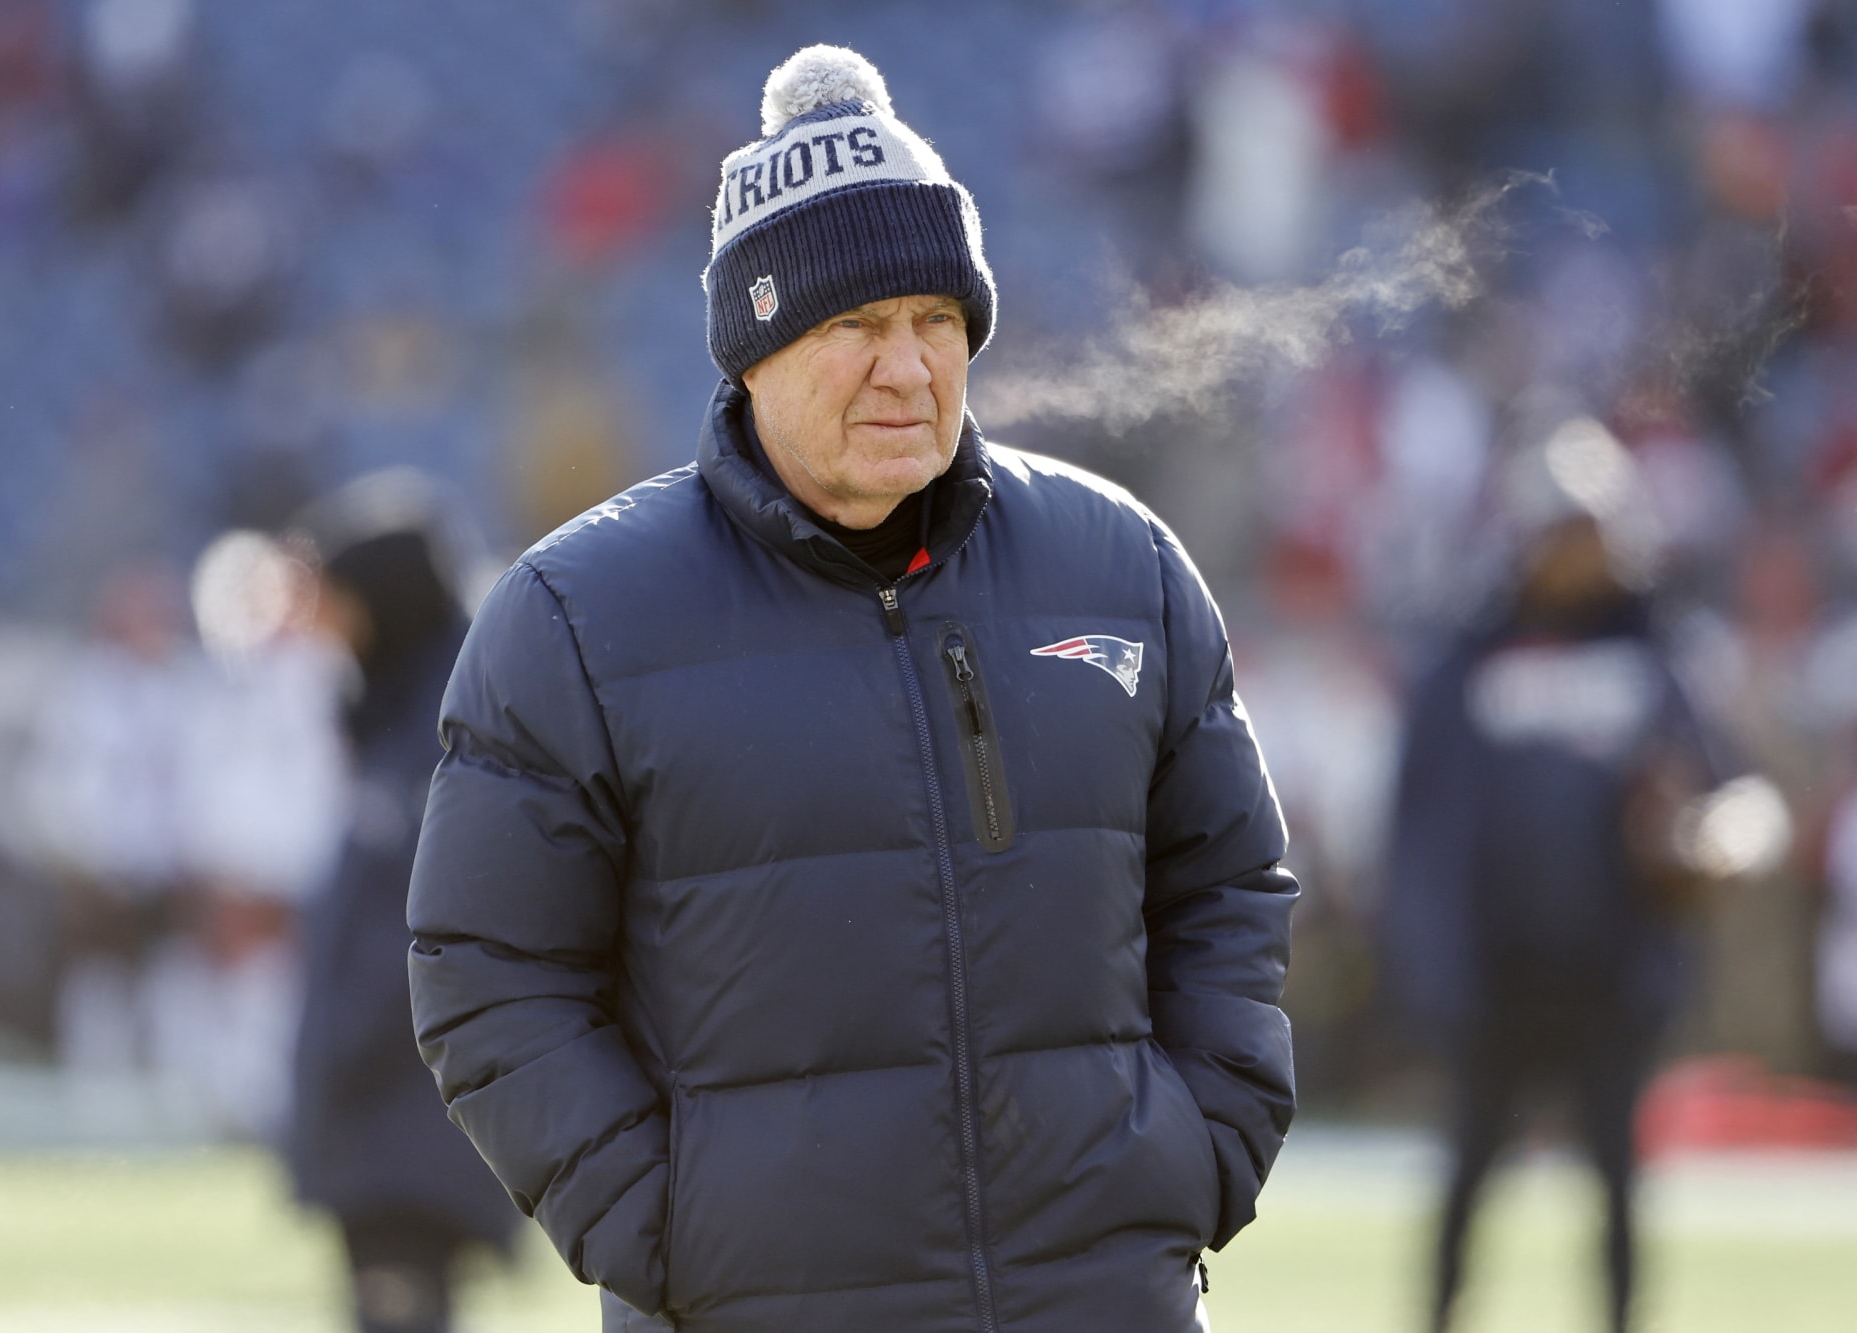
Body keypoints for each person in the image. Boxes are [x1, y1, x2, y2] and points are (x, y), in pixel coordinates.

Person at [408, 47, 1298, 1333]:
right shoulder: (573, 615)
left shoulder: (1122, 567)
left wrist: (1195, 1152)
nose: (908, 367)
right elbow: (487, 970)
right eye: (855, 325)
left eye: (936, 319)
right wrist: (668, 1231)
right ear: (755, 347)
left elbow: (1227, 884)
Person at [1382, 417, 1724, 1333]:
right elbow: (1420, 825)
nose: (1587, 551)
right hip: (1497, 974)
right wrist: (1433, 965)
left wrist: (1706, 839)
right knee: (1468, 1173)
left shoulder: (1652, 655)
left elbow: (1721, 789)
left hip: (1611, 970)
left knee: (1617, 1179)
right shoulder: (1469, 656)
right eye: (1570, 530)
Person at [286, 473, 519, 1333]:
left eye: (337, 600)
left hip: (412, 1117)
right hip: (385, 1116)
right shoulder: (392, 717)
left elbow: (422, 927)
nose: (324, 627)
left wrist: (339, 1048)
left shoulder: (447, 728)